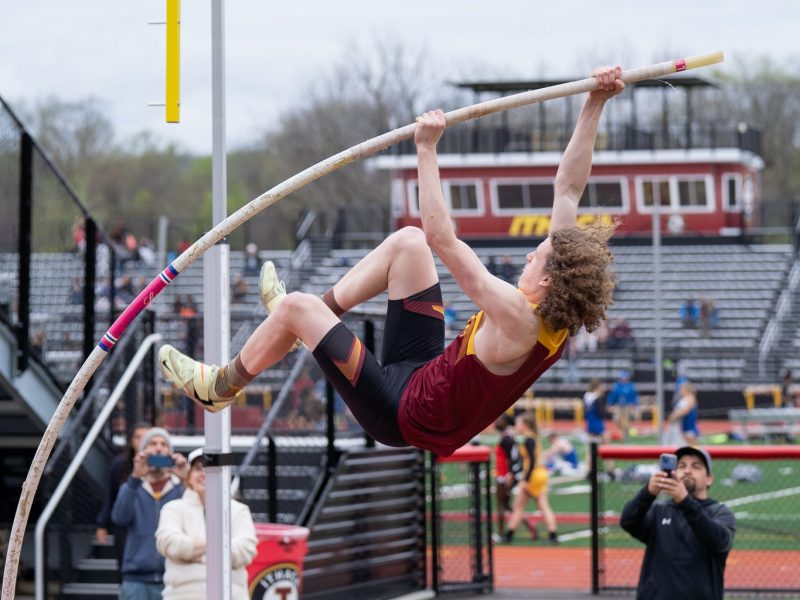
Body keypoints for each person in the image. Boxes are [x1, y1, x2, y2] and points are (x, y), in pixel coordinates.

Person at [159, 67, 623, 458]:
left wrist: (426, 149)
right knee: (408, 243)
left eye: (536, 255)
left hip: (400, 412)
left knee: (298, 305)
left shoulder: (520, 316)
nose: (529, 254)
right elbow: (568, 189)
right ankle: (301, 329)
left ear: (548, 278)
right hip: (423, 371)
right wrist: (594, 103)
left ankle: (220, 386)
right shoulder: (553, 313)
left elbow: (444, 238)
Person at [620, 446, 735, 600]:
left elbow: (719, 541)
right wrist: (647, 492)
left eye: (696, 466)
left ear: (709, 479)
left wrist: (685, 501)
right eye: (681, 466)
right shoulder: (660, 511)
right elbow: (628, 521)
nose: (687, 471)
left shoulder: (719, 513)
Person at [156, 449, 258, 600]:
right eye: (198, 468)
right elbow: (170, 543)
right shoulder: (173, 508)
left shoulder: (239, 510)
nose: (204, 473)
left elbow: (246, 549)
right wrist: (220, 548)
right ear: (189, 476)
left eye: (210, 469)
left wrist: (194, 554)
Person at [112, 427, 188, 600]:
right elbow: (119, 518)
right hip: (136, 581)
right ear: (143, 451)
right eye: (153, 444)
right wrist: (135, 477)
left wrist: (186, 480)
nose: (159, 448)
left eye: (164, 444)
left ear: (170, 453)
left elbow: (201, 516)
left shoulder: (180, 489)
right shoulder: (131, 488)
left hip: (174, 578)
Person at [95, 422, 151, 574]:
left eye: (146, 437)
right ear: (131, 441)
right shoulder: (120, 464)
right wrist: (103, 524)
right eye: (138, 437)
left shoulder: (161, 464)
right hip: (125, 524)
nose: (142, 441)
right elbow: (111, 495)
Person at [496, 413, 558, 544]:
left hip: (534, 475)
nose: (516, 426)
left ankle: (509, 535)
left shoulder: (528, 440)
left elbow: (531, 461)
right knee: (537, 505)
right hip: (539, 474)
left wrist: (525, 479)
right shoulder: (532, 438)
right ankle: (552, 534)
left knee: (520, 507)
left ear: (526, 425)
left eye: (518, 424)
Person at [493, 414, 522, 537]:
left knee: (501, 505)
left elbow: (514, 458)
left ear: (505, 422)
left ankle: (500, 533)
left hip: (504, 476)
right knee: (506, 505)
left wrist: (510, 474)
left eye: (499, 420)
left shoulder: (507, 438)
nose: (495, 422)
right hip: (504, 474)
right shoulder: (508, 436)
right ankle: (530, 525)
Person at [607, 370, 640, 439]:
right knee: (616, 419)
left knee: (626, 421)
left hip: (627, 406)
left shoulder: (630, 385)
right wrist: (610, 403)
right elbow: (613, 395)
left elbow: (634, 396)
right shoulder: (617, 385)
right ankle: (623, 431)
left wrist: (635, 404)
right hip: (618, 405)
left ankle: (626, 435)